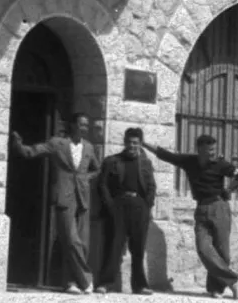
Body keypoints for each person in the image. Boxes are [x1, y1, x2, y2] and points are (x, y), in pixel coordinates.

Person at [144, 134, 238, 299]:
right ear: (199, 150)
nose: (213, 153)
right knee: (203, 249)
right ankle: (231, 280)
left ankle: (215, 289)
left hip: (219, 208)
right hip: (201, 209)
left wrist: (229, 189)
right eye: (209, 150)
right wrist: (143, 143)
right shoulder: (189, 162)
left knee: (223, 252)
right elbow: (165, 155)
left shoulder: (220, 164)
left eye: (214, 149)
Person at [11, 112, 101, 295]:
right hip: (64, 196)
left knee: (83, 243)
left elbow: (97, 169)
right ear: (72, 125)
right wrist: (18, 145)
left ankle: (70, 282)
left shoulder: (89, 147)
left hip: (83, 197)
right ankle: (86, 280)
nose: (84, 128)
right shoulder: (57, 143)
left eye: (86, 125)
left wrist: (86, 178)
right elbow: (33, 151)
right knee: (71, 240)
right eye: (81, 124)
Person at [95, 127, 157, 296]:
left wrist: (147, 205)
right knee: (113, 245)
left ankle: (140, 286)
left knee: (138, 248)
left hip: (139, 207)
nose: (132, 146)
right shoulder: (112, 161)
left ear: (140, 144)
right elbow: (102, 185)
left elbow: (151, 186)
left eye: (135, 143)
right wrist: (110, 205)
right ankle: (105, 283)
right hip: (118, 206)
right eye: (129, 142)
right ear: (124, 142)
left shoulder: (145, 163)